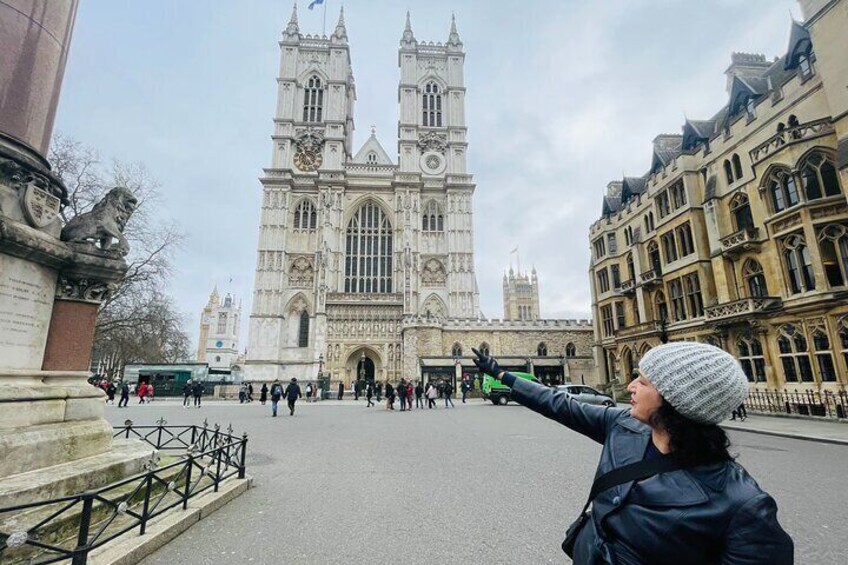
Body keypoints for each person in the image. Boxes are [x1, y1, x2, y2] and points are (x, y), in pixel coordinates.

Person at [472, 344, 793, 564]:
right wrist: (504, 377)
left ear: (674, 398)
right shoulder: (624, 426)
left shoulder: (743, 505)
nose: (630, 386)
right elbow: (561, 405)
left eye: (643, 380)